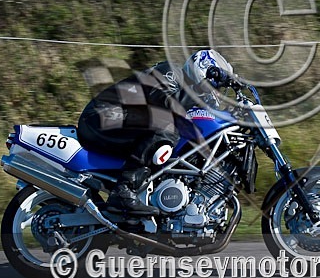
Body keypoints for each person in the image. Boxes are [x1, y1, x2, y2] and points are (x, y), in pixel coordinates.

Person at [77, 49, 235, 215]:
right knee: (168, 125)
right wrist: (200, 92)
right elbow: (168, 103)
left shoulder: (185, 91)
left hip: (117, 122)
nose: (215, 90)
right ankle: (124, 190)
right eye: (214, 83)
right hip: (101, 116)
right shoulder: (171, 72)